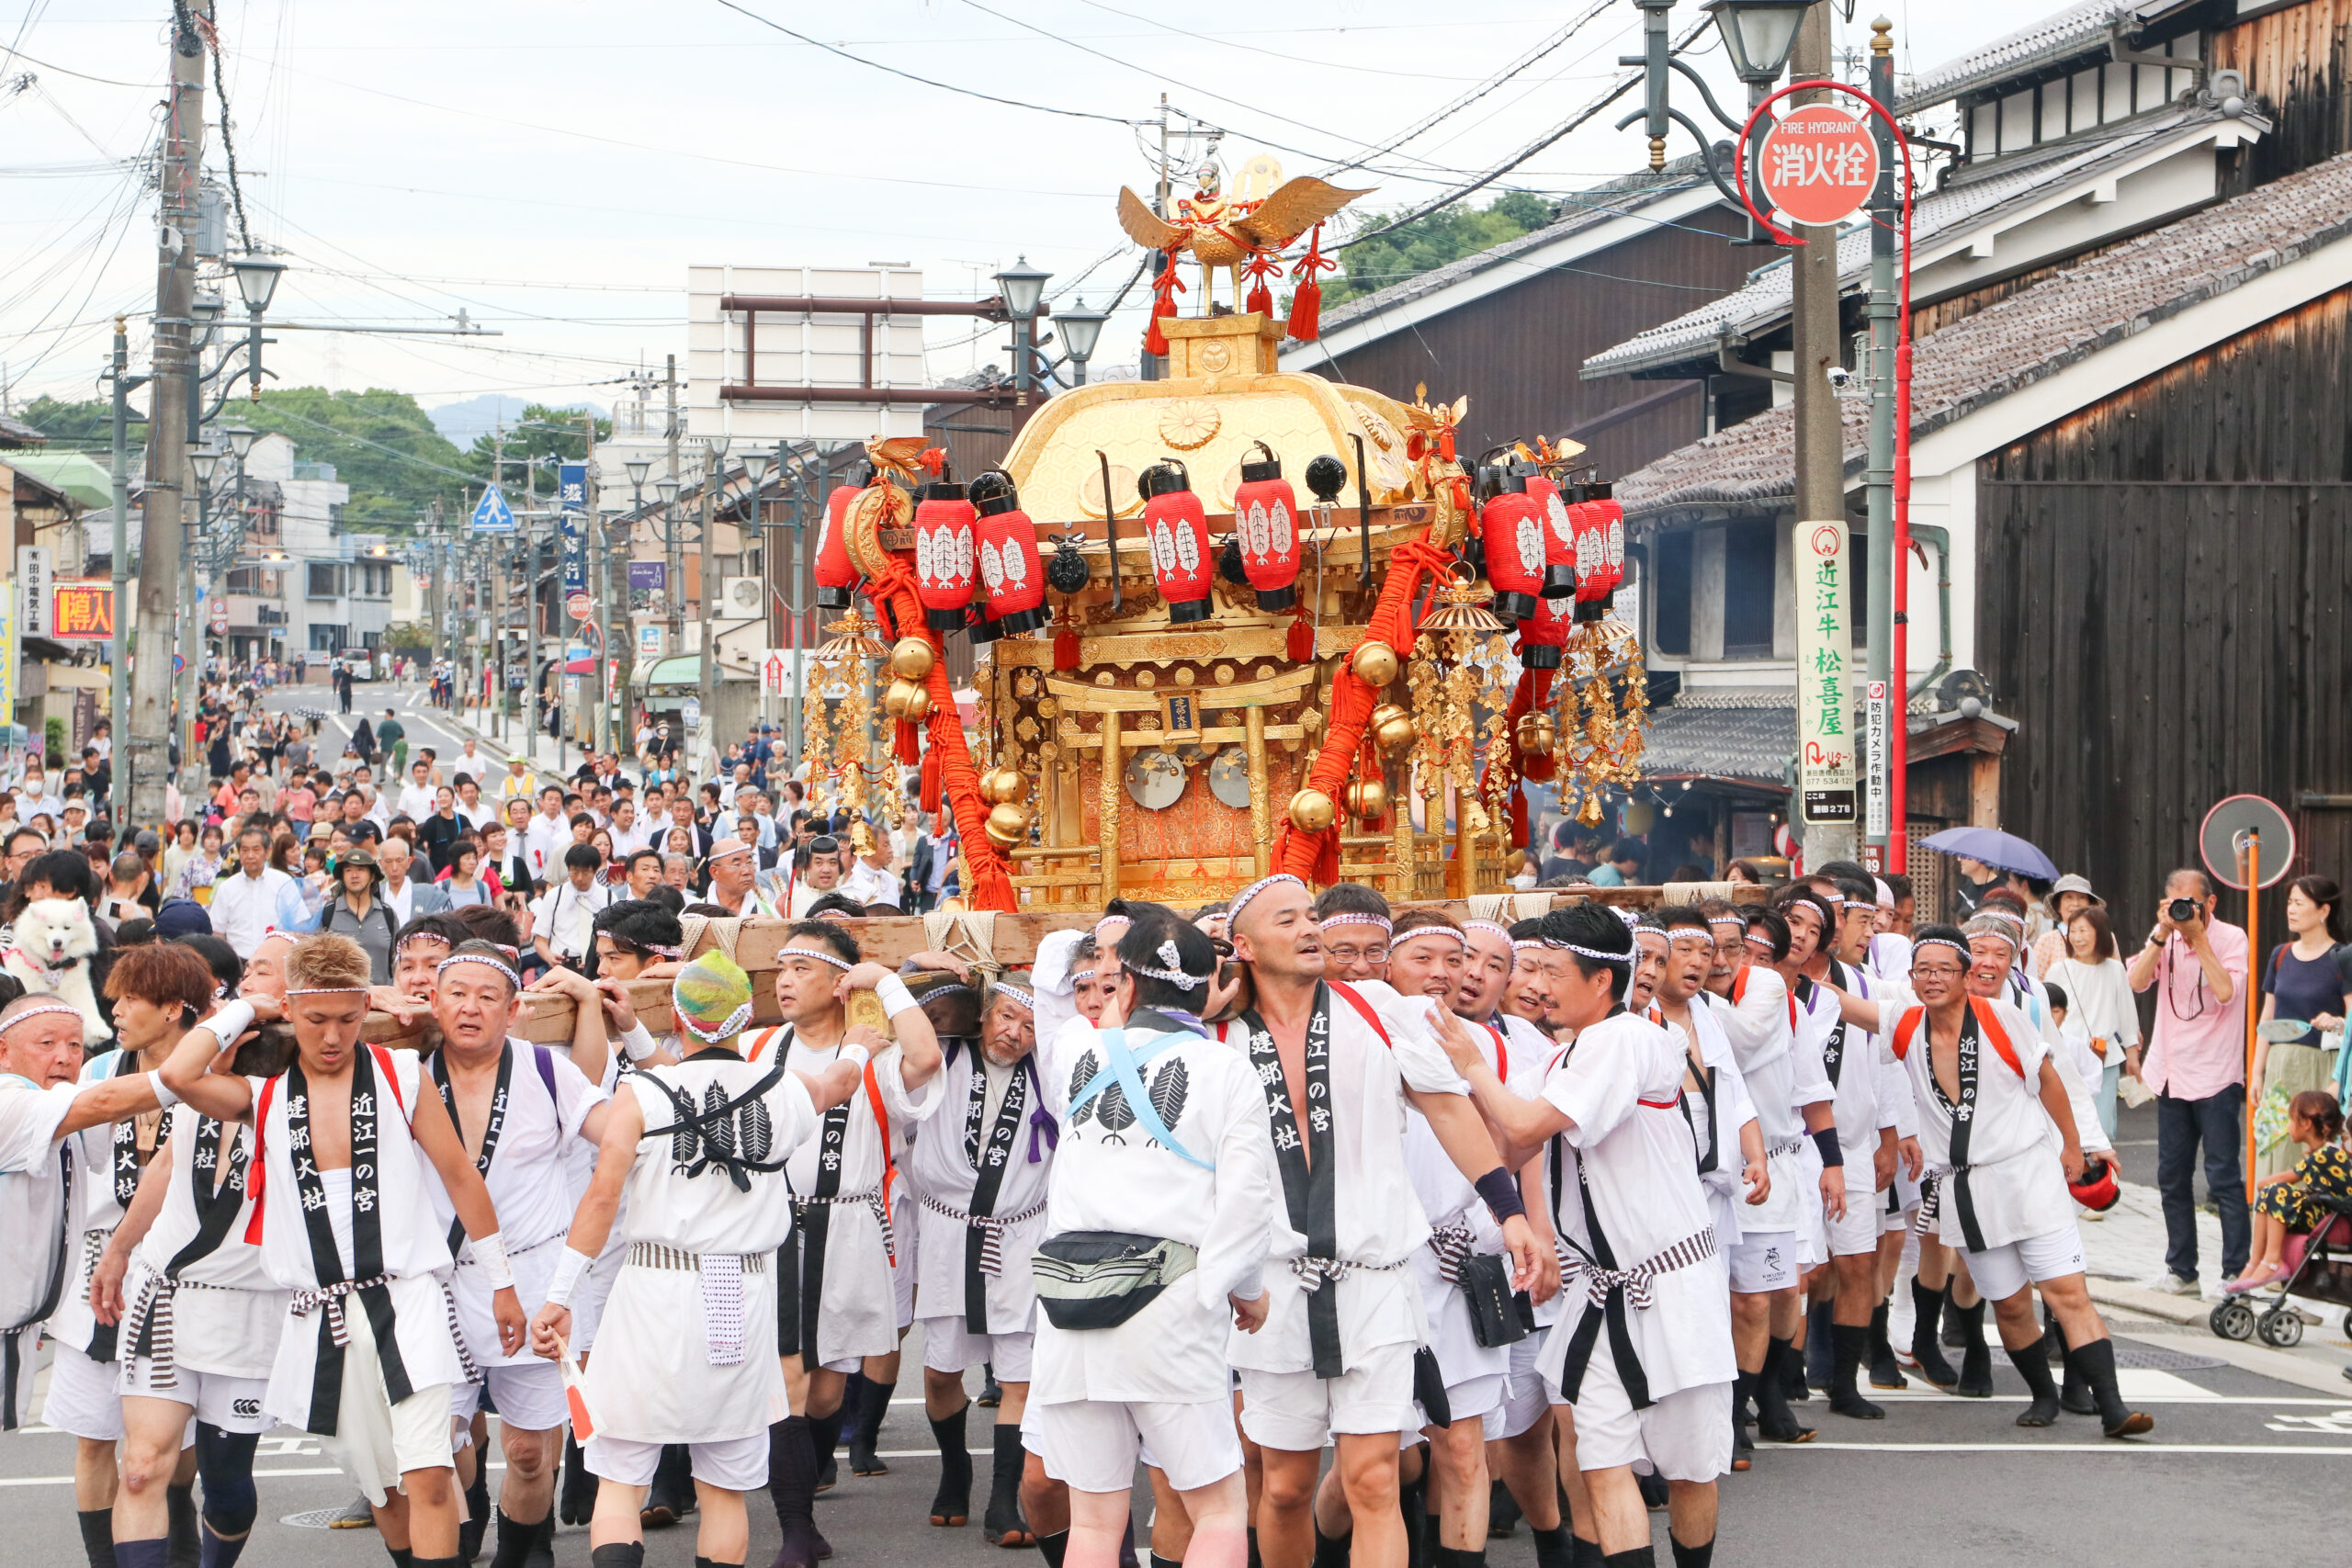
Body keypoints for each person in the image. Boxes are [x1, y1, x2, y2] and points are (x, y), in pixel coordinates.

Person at [160, 935, 528, 1565]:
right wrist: (248, 1006)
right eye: (315, 1019)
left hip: (407, 1297)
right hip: (322, 1312)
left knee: (427, 1471)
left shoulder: (401, 1074)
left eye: (347, 1019)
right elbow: (177, 1074)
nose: (332, 1036)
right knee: (381, 1485)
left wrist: (502, 1282)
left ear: (365, 1009)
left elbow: (461, 1177)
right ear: (290, 1009)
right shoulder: (263, 1095)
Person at [1218, 875, 1536, 1568]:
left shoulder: (1379, 1008)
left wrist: (1508, 1211)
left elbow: (1448, 1108)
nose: (1309, 928)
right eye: (1286, 920)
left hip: (1376, 1279)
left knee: (1373, 1478)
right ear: (1243, 944)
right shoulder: (1218, 1034)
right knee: (1285, 1487)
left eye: (1311, 915)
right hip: (1273, 1288)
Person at [524, 952, 865, 1568]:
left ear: (678, 1019)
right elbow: (840, 1081)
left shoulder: (640, 1094)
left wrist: (559, 1296)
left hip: (652, 1287)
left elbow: (601, 1198)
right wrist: (863, 1043)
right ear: (746, 1018)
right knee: (723, 1489)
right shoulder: (782, 1087)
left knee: (620, 1480)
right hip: (741, 1293)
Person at [1430, 904, 1734, 1567]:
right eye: (1530, 969)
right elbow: (1508, 1139)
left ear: (1600, 981)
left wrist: (1470, 1064)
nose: (1535, 984)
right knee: (1601, 1463)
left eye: (1550, 970)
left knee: (1689, 1470)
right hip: (1598, 1290)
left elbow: (1523, 1124)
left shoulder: (1626, 1038)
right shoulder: (1563, 1055)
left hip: (1672, 1284)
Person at [1026, 909, 1272, 1568]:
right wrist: (1242, 1289)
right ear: (1211, 985)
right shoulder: (1227, 1069)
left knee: (1093, 1521)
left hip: (1071, 1305)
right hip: (1171, 1303)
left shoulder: (1078, 1051)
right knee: (1217, 1509)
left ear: (1126, 985)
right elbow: (1248, 1204)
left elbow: (1064, 987)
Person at [1840, 925, 2153, 1438]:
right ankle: (2043, 1395)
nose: (1933, 978)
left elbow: (2049, 1080)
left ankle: (2114, 1407)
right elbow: (1837, 999)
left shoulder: (2002, 1016)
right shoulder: (1906, 1023)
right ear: (1911, 978)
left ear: (1966, 977)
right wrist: (1786, 963)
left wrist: (2073, 1145)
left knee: (2066, 1292)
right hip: (1965, 1189)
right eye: (1923, 970)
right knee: (2008, 1303)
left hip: (2026, 1174)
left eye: (1945, 969)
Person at [734, 923, 943, 1560]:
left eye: (801, 968)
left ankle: (812, 1471)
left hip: (848, 1228)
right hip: (772, 1230)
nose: (785, 981)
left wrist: (886, 981)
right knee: (789, 1382)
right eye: (781, 968)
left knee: (826, 1392)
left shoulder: (874, 1052)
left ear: (838, 982)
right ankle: (797, 1527)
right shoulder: (758, 1045)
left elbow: (927, 1059)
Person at [87, 946, 285, 1568]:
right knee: (142, 1467)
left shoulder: (307, 1080)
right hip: (166, 1292)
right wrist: (119, 1250)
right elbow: (165, 1165)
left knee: (226, 1485)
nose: (248, 980)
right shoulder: (196, 1068)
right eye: (248, 971)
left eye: (265, 972)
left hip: (247, 1302)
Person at [425, 941, 617, 1568]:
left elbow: (616, 1133)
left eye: (488, 996)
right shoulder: (404, 1073)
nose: (470, 1007)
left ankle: (516, 1555)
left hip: (535, 1278)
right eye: (456, 993)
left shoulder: (545, 1069)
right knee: (433, 1447)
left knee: (531, 1453)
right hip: (439, 1283)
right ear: (433, 1003)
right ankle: (454, 1541)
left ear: (514, 1011)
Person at [906, 976, 1052, 1546]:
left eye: (1030, 1025)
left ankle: (1003, 1498)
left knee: (1019, 1375)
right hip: (947, 1232)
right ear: (983, 1013)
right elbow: (914, 995)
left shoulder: (1052, 1073)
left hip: (1020, 1236)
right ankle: (954, 1467)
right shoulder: (942, 1056)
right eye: (1006, 1016)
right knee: (941, 1372)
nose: (1014, 1033)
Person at [2125, 868, 2252, 1294]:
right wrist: (2162, 932)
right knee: (2172, 1176)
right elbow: (2135, 982)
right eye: (2174, 903)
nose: (2184, 911)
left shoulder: (2232, 938)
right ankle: (2182, 1271)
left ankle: (2236, 1274)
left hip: (2216, 1074)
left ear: (2210, 902)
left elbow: (2226, 992)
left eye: (2191, 903)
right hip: (2171, 1074)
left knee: (2223, 1178)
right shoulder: (2166, 937)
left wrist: (2198, 938)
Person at [2253, 875, 2352, 1179]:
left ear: (2324, 911)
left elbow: (2351, 1018)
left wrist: (2338, 1022)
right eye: (2289, 903)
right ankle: (2274, 1205)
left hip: (2323, 1066)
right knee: (2276, 1142)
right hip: (2280, 1067)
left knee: (2319, 1148)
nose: (2291, 910)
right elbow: (2267, 1017)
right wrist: (2257, 1071)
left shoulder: (2342, 958)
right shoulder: (2280, 954)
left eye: (2299, 903)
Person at [2226, 1090, 2352, 1292]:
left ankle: (2272, 1261)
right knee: (2270, 1193)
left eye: (2291, 1120)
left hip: (2334, 1219)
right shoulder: (2323, 1153)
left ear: (2306, 1124)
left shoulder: (2326, 1154)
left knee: (2275, 1191)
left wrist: (2265, 1185)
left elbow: (2280, 1179)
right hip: (2325, 1212)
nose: (2288, 1126)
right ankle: (2256, 1262)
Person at [2042, 906, 2138, 1141]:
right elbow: (2047, 1015)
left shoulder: (2115, 970)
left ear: (2101, 933)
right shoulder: (2059, 970)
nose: (2077, 937)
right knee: (2065, 1125)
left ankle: (2100, 1165)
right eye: (2073, 931)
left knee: (2102, 1127)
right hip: (2066, 1057)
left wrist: (2133, 1056)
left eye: (2084, 931)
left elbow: (2127, 1015)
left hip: (2104, 1057)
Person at [207, 827, 308, 959]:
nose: (250, 855)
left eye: (256, 850)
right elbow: (217, 931)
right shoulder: (227, 887)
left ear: (268, 852)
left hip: (276, 960)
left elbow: (300, 923)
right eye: (245, 850)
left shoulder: (284, 882)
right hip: (239, 961)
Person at [317, 847, 401, 986]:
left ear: (372, 876)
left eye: (361, 870)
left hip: (381, 997)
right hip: (338, 996)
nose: (354, 875)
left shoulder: (387, 914)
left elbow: (397, 962)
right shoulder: (328, 913)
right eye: (348, 870)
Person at [533, 845, 618, 974]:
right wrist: (550, 958)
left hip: (598, 966)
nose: (579, 878)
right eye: (574, 872)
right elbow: (540, 940)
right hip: (563, 966)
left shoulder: (608, 897)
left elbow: (615, 937)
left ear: (595, 870)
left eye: (585, 872)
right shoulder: (554, 896)